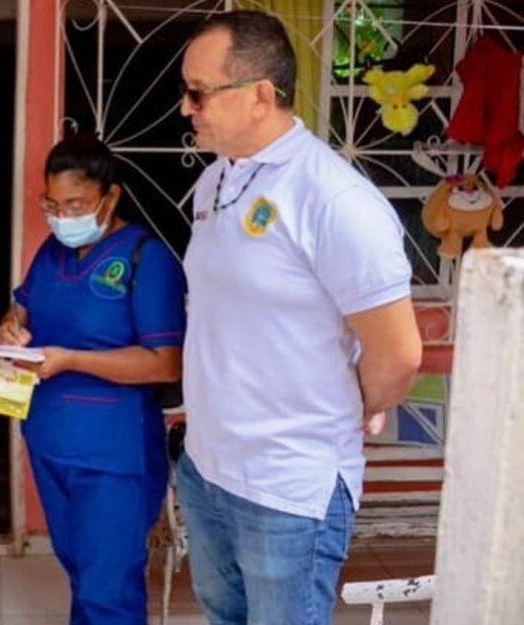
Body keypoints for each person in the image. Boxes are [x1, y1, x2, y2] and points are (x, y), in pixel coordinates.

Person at [177, 11, 423, 625]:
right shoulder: (214, 184)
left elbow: (398, 357)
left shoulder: (334, 199)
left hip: (288, 485)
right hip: (208, 469)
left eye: (199, 92)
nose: (186, 108)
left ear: (261, 95)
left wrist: (342, 405)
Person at [0, 132, 186, 625]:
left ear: (111, 196)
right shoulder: (51, 254)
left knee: (109, 590)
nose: (63, 216)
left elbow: (165, 362)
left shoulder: (148, 260)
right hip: (50, 441)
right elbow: (23, 305)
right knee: (82, 574)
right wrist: (9, 326)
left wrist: (71, 360)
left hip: (114, 456)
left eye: (76, 204)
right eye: (52, 204)